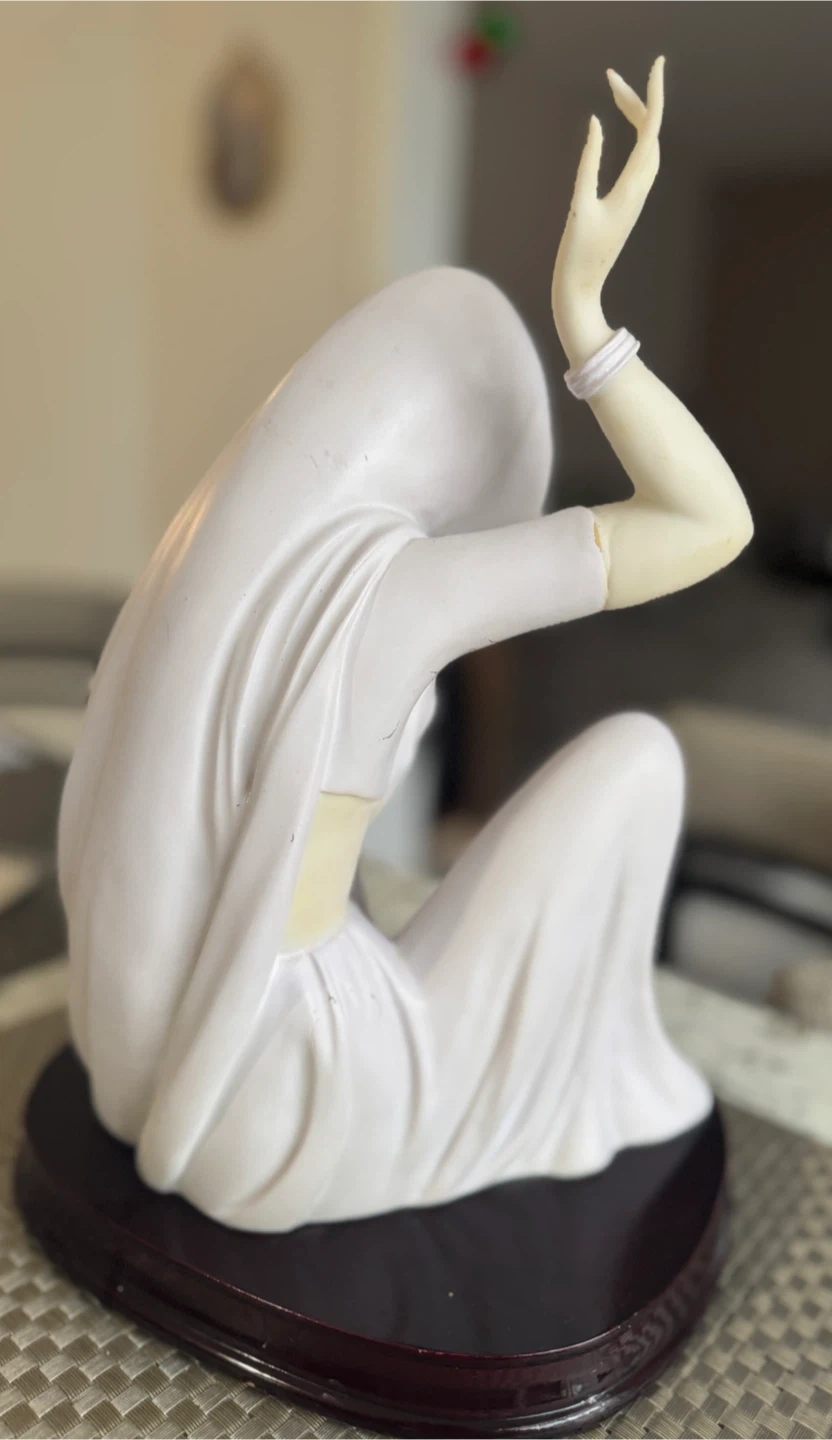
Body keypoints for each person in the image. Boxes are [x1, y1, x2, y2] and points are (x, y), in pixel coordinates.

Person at [59, 60, 752, 1232]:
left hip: (176, 1068)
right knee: (640, 758)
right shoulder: (401, 590)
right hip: (308, 1089)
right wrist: (588, 324)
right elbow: (711, 523)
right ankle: (590, 1081)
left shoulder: (203, 587)